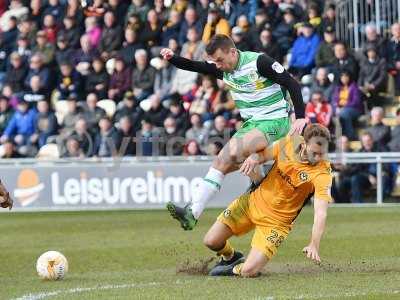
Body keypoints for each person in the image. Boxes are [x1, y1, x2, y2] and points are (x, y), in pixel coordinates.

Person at [161, 34, 306, 230]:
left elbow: (292, 83)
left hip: (274, 121)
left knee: (228, 153)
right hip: (252, 124)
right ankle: (194, 211)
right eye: (214, 62)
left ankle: (197, 210)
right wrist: (172, 58)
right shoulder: (222, 68)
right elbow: (194, 66)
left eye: (219, 60)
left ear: (232, 51)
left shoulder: (259, 62)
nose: (217, 65)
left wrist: (301, 117)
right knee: (221, 163)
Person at [203, 124, 332, 276]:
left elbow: (321, 213)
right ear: (303, 143)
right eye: (315, 153)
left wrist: (314, 244)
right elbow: (263, 155)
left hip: (277, 224)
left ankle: (235, 269)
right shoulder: (289, 144)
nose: (318, 158)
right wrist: (253, 159)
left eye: (321, 154)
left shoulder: (322, 172)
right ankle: (231, 257)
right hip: (251, 203)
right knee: (211, 241)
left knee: (248, 271)